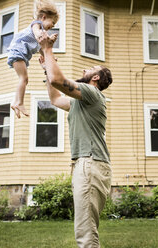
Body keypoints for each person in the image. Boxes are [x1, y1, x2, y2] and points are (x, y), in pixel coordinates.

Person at [37, 32, 113, 248]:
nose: (83, 71)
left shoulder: (92, 93)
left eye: (89, 70)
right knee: (85, 227)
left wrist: (48, 49)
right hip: (87, 164)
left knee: (85, 231)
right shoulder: (81, 103)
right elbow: (54, 98)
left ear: (95, 78)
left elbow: (59, 81)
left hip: (90, 164)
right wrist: (46, 69)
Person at [7, 0, 59, 118]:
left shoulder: (42, 32)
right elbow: (36, 33)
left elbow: (42, 49)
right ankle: (18, 102)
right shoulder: (37, 25)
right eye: (53, 22)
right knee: (24, 78)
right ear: (44, 17)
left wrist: (51, 58)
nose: (53, 26)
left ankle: (16, 101)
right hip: (18, 51)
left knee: (24, 79)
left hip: (21, 54)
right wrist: (42, 36)